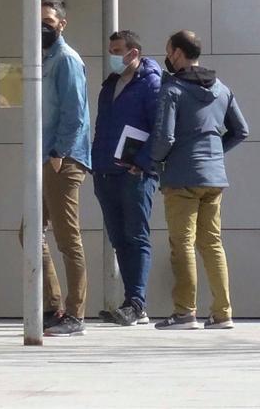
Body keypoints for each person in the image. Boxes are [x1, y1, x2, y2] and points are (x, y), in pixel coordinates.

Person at [150, 30, 249, 331]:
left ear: (178, 54)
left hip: (182, 178)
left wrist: (154, 162)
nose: (166, 57)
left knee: (182, 244)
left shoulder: (172, 89)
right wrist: (215, 153)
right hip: (214, 177)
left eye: (168, 51)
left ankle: (184, 313)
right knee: (212, 244)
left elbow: (165, 136)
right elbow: (240, 130)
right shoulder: (222, 89)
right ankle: (222, 313)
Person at [30, 0, 92, 338]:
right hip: (44, 158)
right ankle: (54, 305)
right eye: (38, 19)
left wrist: (59, 152)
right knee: (30, 233)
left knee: (69, 239)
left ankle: (76, 314)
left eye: (49, 20)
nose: (43, 26)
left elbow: (75, 111)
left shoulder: (66, 60)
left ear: (62, 24)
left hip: (62, 160)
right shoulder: (41, 58)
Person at [92, 30, 161, 327]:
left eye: (117, 50)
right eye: (111, 49)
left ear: (133, 53)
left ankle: (137, 302)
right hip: (106, 171)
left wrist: (143, 162)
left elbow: (161, 130)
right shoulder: (109, 86)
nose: (112, 55)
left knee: (136, 236)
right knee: (119, 238)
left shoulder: (152, 85)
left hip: (136, 174)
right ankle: (128, 302)